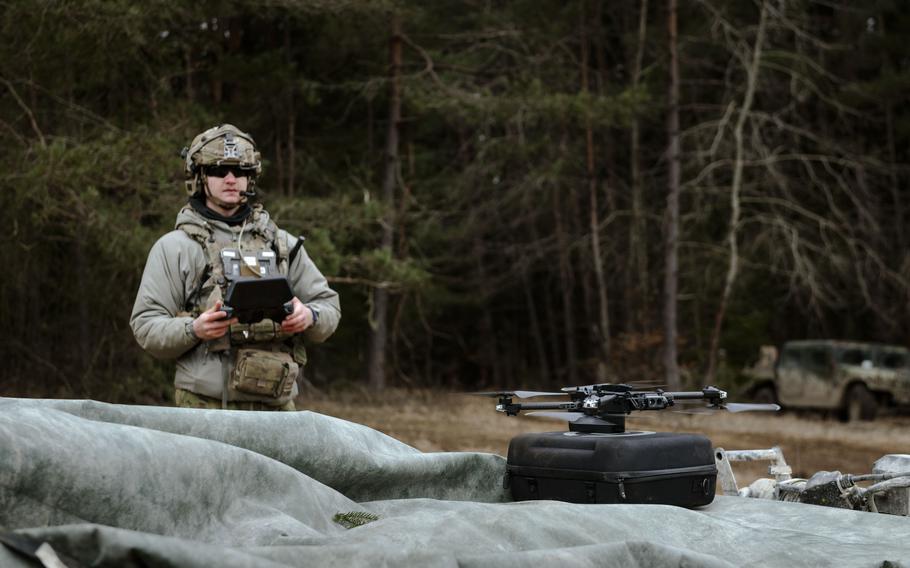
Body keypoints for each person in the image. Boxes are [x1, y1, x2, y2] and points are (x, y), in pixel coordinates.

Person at [130, 124, 340, 410]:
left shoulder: (282, 245)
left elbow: (329, 306)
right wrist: (195, 329)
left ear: (251, 177)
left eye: (240, 171)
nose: (231, 179)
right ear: (200, 177)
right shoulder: (176, 247)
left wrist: (309, 316)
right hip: (205, 408)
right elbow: (146, 326)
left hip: (277, 410)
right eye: (219, 170)